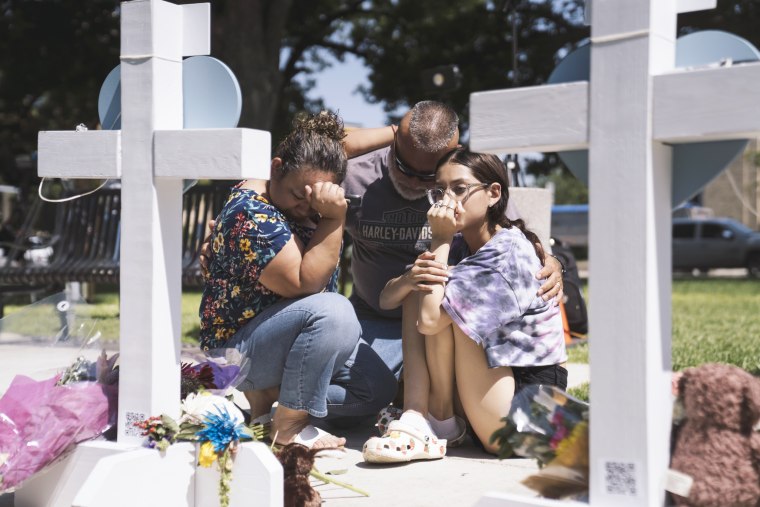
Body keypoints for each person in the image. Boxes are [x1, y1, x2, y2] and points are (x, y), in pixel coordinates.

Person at [338, 101, 564, 420]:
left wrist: (551, 261)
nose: (416, 184)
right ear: (393, 143)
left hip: (440, 327)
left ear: (452, 153)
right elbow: (304, 153)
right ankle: (424, 412)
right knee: (359, 396)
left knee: (437, 303)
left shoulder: (467, 189)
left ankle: (431, 414)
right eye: (404, 168)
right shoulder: (357, 175)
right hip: (376, 313)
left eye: (427, 175)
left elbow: (514, 236)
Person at [362, 148, 567, 462]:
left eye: (459, 189)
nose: (446, 201)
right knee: (422, 286)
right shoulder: (461, 244)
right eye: (440, 191)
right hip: (491, 389)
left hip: (528, 413)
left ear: (493, 193)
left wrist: (439, 239)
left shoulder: (504, 252)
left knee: (445, 303)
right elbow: (388, 298)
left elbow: (431, 322)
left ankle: (439, 421)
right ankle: (422, 416)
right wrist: (409, 279)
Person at [200, 111, 389, 450]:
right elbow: (306, 283)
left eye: (314, 197)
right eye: (297, 195)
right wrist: (335, 216)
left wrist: (396, 132)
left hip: (286, 340)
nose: (306, 206)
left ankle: (275, 399)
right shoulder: (251, 213)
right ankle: (287, 426)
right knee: (335, 312)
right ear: (274, 168)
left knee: (376, 388)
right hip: (240, 355)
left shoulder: (304, 185)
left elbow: (337, 144)